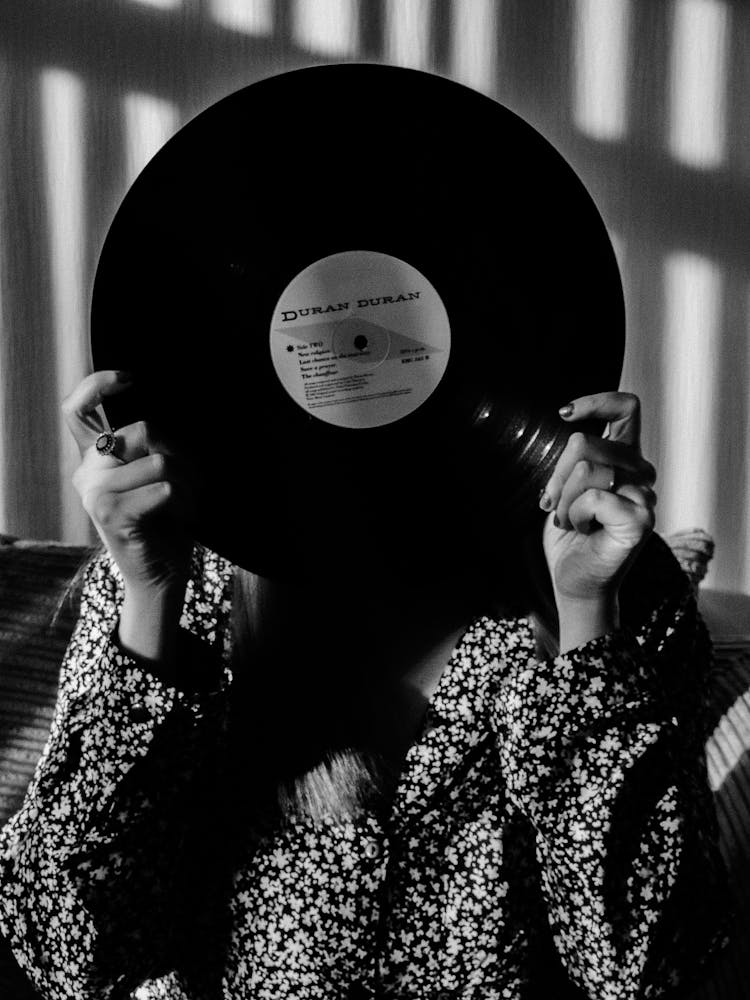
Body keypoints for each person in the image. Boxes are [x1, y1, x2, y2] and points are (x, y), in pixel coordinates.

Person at [0, 371, 727, 1000]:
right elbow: (69, 956)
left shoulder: (623, 580)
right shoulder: (171, 573)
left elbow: (644, 968)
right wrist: (151, 592)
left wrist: (586, 612)